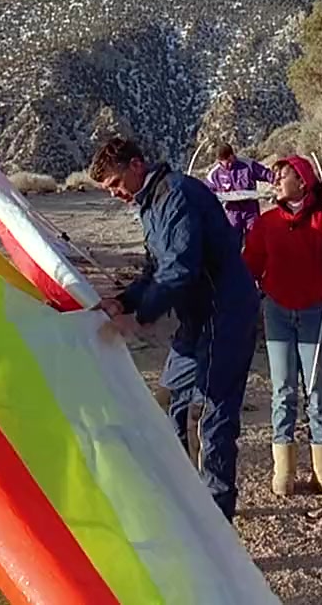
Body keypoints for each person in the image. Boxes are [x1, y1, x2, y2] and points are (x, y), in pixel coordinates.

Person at [88, 138, 259, 521]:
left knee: (211, 414)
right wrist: (123, 301)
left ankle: (216, 515)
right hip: (195, 319)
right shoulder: (150, 205)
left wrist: (140, 317)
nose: (115, 193)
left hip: (224, 314)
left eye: (116, 183)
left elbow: (181, 268)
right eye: (108, 189)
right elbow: (156, 270)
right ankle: (183, 495)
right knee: (170, 401)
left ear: (136, 165)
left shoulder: (177, 195)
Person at [242, 155, 322, 499]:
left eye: (283, 176)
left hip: (315, 313)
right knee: (283, 391)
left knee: (317, 392)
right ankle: (284, 469)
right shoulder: (266, 223)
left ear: (303, 181)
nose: (276, 181)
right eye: (275, 176)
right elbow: (249, 266)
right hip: (277, 311)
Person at [204, 143, 274, 245]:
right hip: (232, 212)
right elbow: (205, 191)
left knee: (256, 238)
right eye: (224, 163)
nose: (228, 165)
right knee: (233, 242)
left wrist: (278, 184)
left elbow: (267, 174)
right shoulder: (214, 174)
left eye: (229, 161)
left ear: (232, 155)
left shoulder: (248, 165)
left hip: (250, 210)